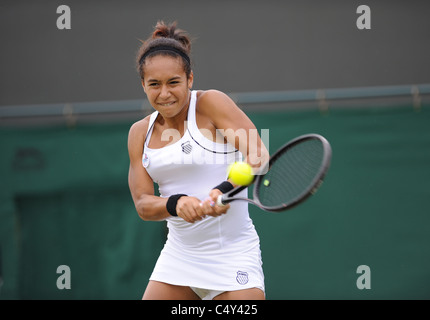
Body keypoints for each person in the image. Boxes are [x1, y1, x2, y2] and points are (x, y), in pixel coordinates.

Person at [128, 21, 269, 300]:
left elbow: (259, 156)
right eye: (154, 84)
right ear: (143, 85)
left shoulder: (211, 103)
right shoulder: (138, 133)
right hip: (179, 258)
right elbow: (144, 205)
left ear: (190, 79)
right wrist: (176, 203)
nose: (164, 93)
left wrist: (225, 190)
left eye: (174, 82)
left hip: (234, 254)